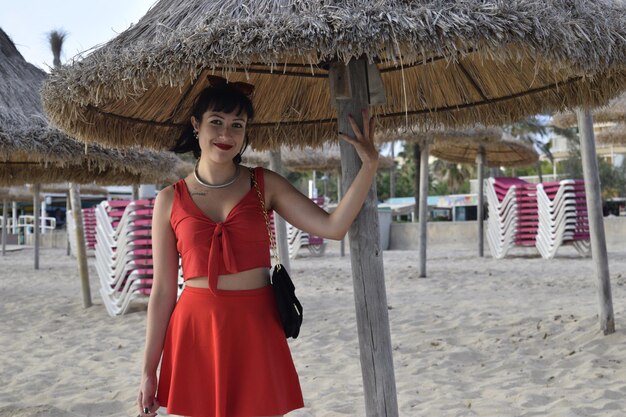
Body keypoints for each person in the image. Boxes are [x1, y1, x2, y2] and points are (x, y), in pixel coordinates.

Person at [137, 76, 379, 417]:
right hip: (196, 330)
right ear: (196, 125)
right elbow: (162, 292)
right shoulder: (168, 200)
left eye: (237, 125)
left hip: (256, 324)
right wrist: (149, 370)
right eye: (216, 123)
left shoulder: (264, 183)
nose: (226, 135)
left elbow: (333, 226)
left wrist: (370, 166)